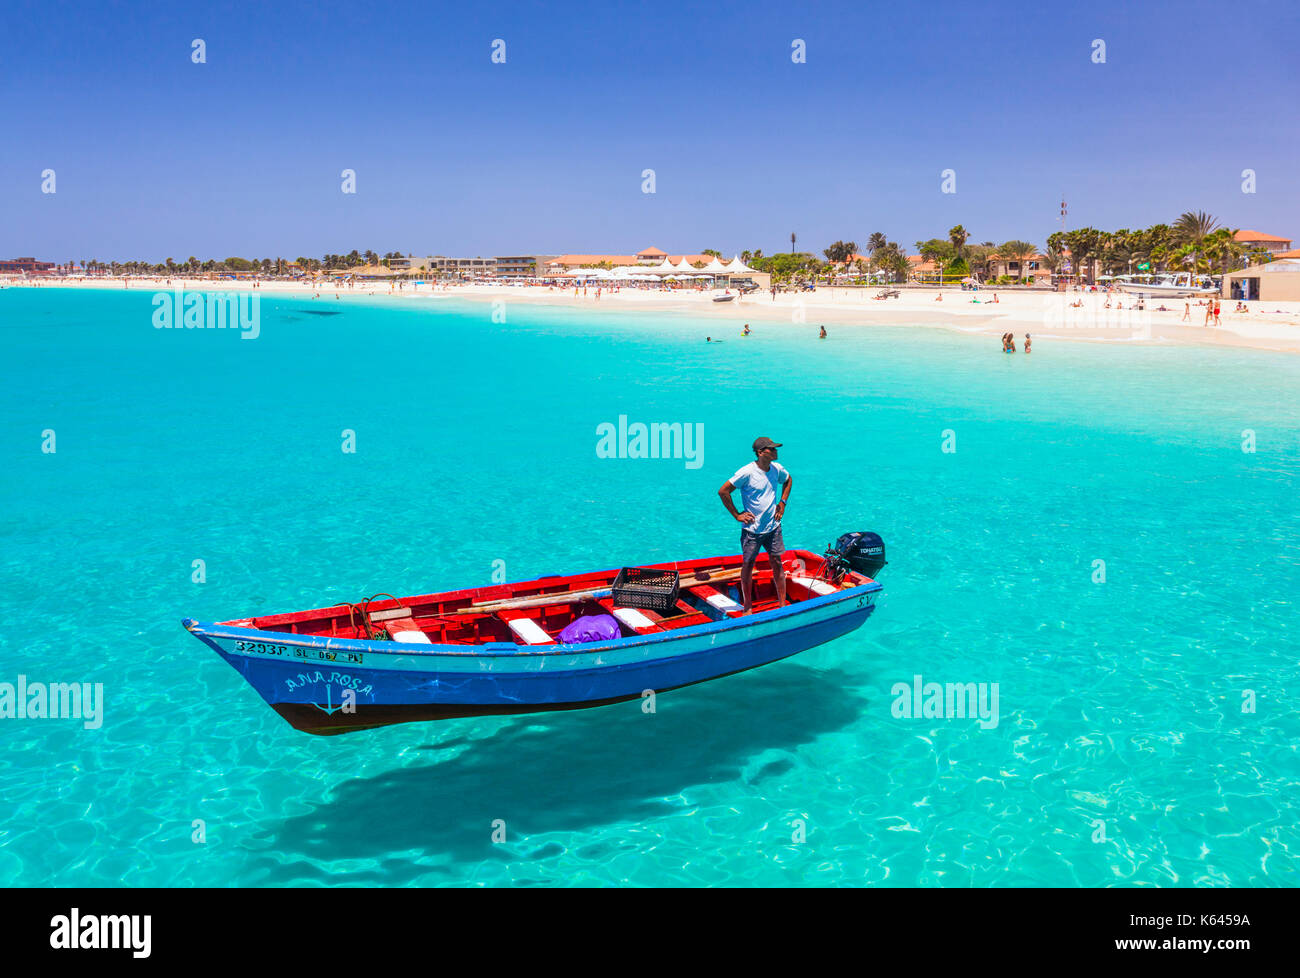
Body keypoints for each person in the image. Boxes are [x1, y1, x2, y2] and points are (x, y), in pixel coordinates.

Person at [718, 438, 791, 613]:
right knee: (748, 565)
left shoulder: (777, 469)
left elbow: (788, 481)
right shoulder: (747, 472)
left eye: (775, 449)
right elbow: (723, 491)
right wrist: (737, 515)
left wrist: (782, 503)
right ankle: (748, 605)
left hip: (773, 527)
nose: (775, 452)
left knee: (777, 562)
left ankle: (782, 604)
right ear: (761, 452)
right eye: (771, 449)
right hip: (752, 530)